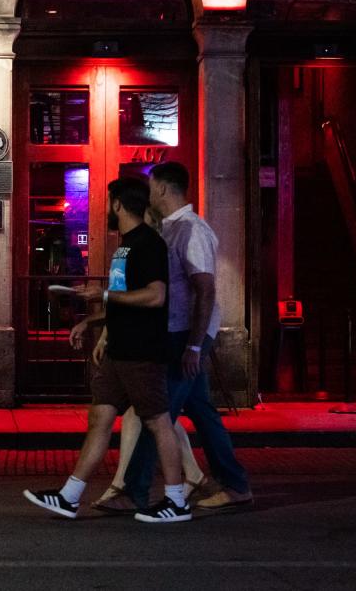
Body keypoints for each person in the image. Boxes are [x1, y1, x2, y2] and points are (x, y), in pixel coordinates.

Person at [23, 178, 192, 523]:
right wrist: (95, 323)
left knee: (159, 422)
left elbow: (155, 296)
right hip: (120, 349)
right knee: (99, 417)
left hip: (142, 350)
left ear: (118, 205)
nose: (105, 209)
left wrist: (101, 297)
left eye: (108, 202)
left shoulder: (149, 243)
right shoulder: (125, 245)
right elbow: (124, 298)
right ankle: (69, 496)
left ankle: (177, 501)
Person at [119, 161, 252, 511]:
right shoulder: (171, 229)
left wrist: (194, 345)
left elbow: (204, 289)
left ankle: (135, 489)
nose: (148, 193)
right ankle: (235, 485)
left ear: (162, 188)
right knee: (203, 412)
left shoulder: (192, 230)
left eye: (151, 186)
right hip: (179, 332)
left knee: (158, 413)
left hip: (185, 334)